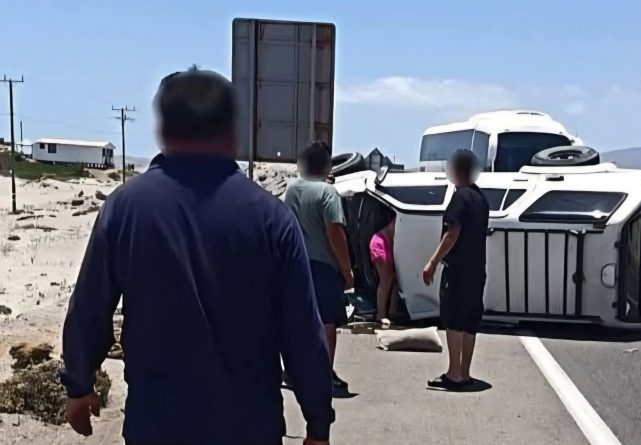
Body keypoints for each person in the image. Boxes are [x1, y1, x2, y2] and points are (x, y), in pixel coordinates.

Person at [60, 68, 333, 445]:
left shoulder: (125, 209)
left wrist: (79, 383)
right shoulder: (272, 218)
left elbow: (90, 306)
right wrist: (318, 422)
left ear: (164, 130)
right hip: (249, 427)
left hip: (156, 426)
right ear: (233, 132)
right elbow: (302, 331)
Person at [284, 141, 355, 393]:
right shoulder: (328, 194)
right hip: (323, 266)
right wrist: (347, 272)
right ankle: (324, 373)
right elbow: (335, 232)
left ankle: (292, 371)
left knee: (297, 320)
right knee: (327, 323)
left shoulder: (291, 190)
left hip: (294, 264)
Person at [422, 149, 489, 390]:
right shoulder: (481, 199)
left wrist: (432, 262)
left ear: (458, 170)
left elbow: (452, 233)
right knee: (471, 322)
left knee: (454, 320)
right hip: (477, 270)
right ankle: (465, 372)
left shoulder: (460, 197)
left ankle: (454, 373)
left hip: (458, 271)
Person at [370, 212, 399, 323]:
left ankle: (392, 312)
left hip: (385, 243)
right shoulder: (399, 221)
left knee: (396, 281)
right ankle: (381, 314)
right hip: (380, 243)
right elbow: (393, 236)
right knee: (386, 280)